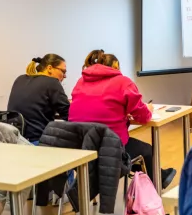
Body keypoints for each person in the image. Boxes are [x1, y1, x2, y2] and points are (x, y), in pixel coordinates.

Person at [69, 52, 176, 189]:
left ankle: (160, 175)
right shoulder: (123, 82)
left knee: (134, 152)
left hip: (82, 148)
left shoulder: (81, 82)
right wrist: (148, 108)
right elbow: (143, 117)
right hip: (110, 147)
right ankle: (159, 181)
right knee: (147, 150)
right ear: (115, 66)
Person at [7, 54, 70, 143]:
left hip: (15, 139)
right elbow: (68, 114)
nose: (65, 76)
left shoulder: (20, 79)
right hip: (36, 141)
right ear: (49, 68)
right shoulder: (52, 82)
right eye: (63, 71)